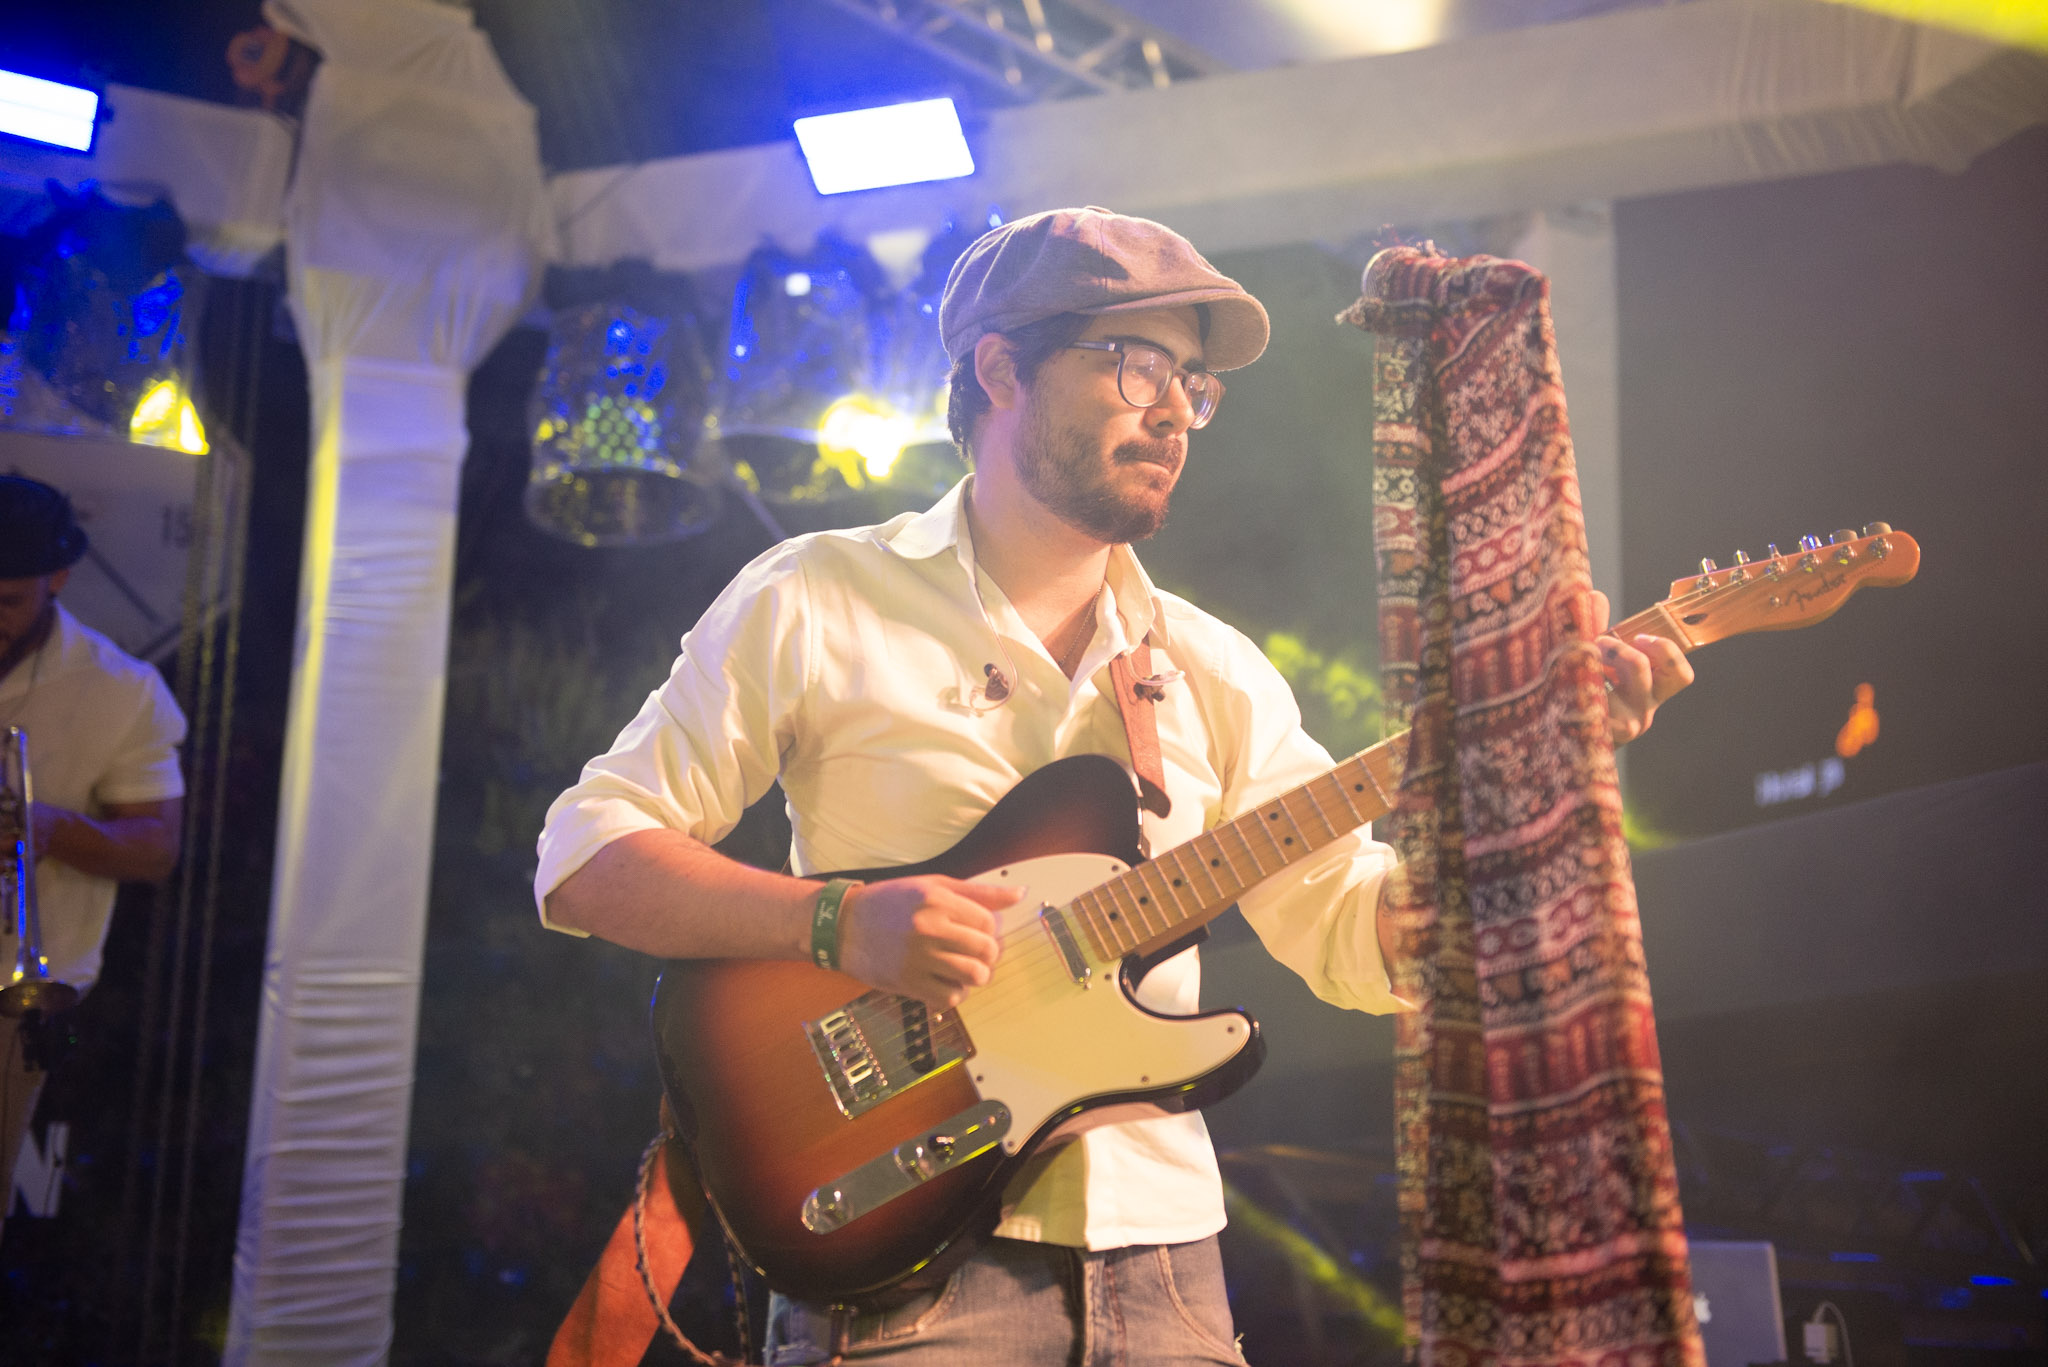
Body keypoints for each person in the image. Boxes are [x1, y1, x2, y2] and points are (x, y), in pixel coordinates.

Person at [535, 207, 1693, 1364]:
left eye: (1191, 382)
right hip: (900, 1283)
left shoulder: (1213, 666)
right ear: (1002, 369)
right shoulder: (814, 596)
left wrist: (1517, 789)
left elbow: (1352, 930)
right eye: (1136, 362)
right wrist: (835, 919)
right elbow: (584, 854)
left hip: (1168, 1267)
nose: (1173, 409)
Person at [0, 474, 186, 1232]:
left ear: (58, 579)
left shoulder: (122, 689)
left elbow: (156, 848)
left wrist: (48, 828)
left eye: (8, 601)